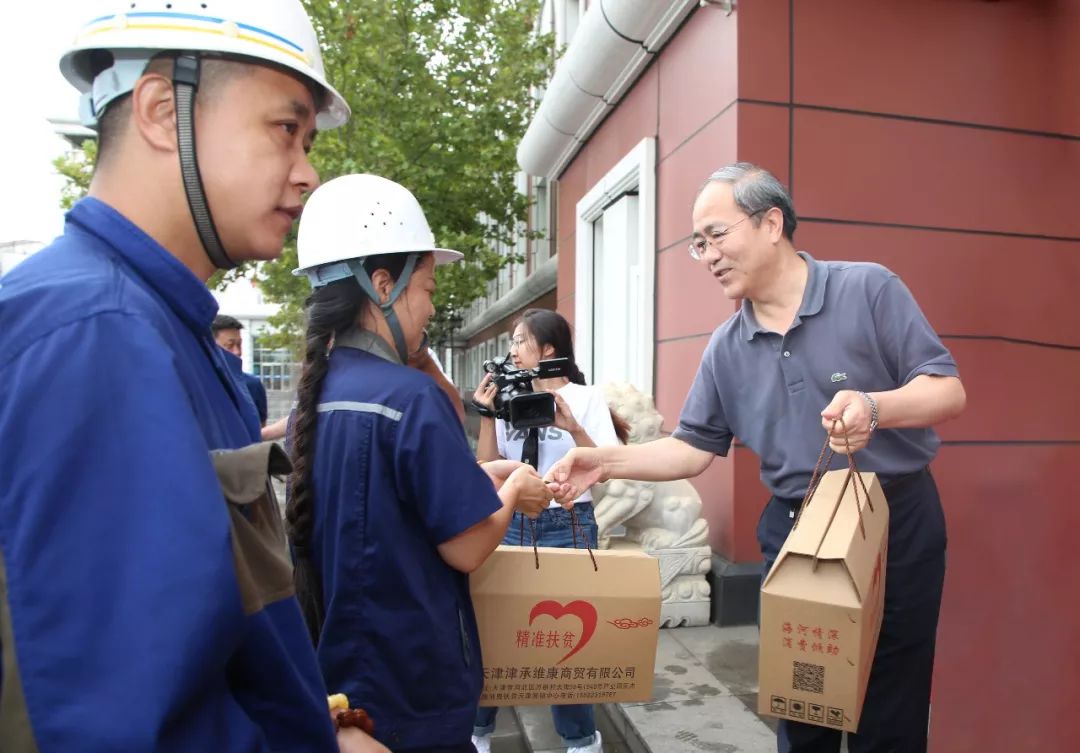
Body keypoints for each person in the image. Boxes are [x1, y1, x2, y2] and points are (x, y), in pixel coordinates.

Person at [0, 2, 386, 750]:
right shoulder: (95, 338)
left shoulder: (159, 328)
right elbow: (114, 725)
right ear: (159, 108)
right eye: (286, 130)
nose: (308, 173)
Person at [546, 163, 966, 753]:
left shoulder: (867, 289)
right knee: (805, 701)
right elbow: (693, 448)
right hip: (798, 529)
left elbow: (947, 390)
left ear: (772, 222)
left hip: (896, 522)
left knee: (890, 705)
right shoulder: (726, 346)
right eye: (699, 244)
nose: (708, 254)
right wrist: (606, 462)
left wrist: (876, 407)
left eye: (717, 234)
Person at [286, 173, 569, 753]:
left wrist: (480, 477)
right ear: (382, 284)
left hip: (339, 682)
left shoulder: (310, 403)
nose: (430, 308)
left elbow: (384, 505)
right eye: (428, 288)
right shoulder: (409, 398)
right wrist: (514, 485)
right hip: (412, 684)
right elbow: (465, 547)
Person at [469, 308, 623, 753]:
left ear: (548, 349)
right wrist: (485, 412)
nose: (512, 349)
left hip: (569, 523)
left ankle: (579, 741)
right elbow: (486, 466)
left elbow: (607, 467)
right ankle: (477, 735)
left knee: (570, 638)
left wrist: (571, 424)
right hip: (510, 520)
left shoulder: (588, 397)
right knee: (492, 633)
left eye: (519, 340)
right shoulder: (506, 393)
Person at [213, 313, 269, 426]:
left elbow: (261, 431)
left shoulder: (253, 385)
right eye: (230, 345)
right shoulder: (200, 386)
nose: (238, 352)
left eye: (239, 344)